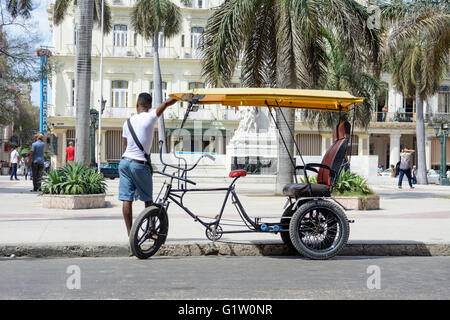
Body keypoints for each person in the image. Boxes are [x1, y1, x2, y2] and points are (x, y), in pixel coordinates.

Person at [119, 93, 177, 237]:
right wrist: (177, 98)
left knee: (127, 199)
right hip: (140, 164)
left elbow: (125, 145)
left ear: (137, 104)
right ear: (150, 106)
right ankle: (151, 230)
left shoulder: (127, 122)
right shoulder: (150, 117)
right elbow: (165, 104)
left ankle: (130, 235)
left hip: (125, 162)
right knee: (148, 200)